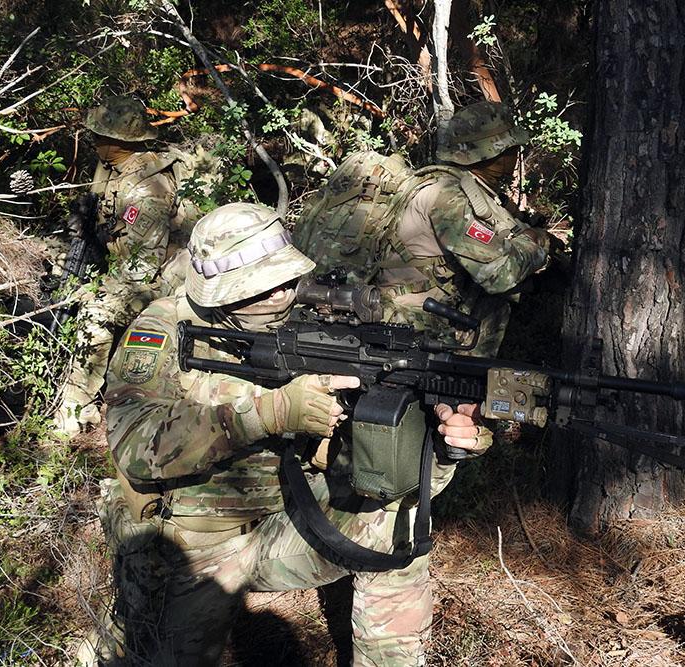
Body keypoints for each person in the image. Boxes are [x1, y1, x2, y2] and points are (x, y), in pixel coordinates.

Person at [86, 202, 494, 666]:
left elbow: (364, 467)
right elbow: (135, 446)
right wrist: (270, 412)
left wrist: (440, 448)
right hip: (193, 547)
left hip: (286, 519)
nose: (282, 295)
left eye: (287, 279)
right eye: (264, 286)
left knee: (398, 525)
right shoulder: (164, 330)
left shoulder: (305, 321)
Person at [293, 100, 564, 356]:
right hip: (408, 327)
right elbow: (501, 274)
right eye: (512, 149)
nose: (517, 154)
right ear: (496, 153)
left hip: (391, 315)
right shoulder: (448, 197)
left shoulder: (447, 184)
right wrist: (537, 241)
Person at [53, 95, 202, 438]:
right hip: (133, 265)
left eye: (98, 135)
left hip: (166, 278)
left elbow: (141, 268)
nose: (92, 141)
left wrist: (92, 292)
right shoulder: (115, 169)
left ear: (117, 141)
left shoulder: (146, 189)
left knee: (95, 313)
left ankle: (76, 411)